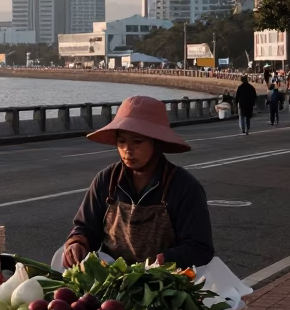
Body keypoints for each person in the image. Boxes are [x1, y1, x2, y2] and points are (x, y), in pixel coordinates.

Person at [62, 96, 214, 270]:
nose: (128, 149)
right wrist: (78, 243)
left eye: (137, 141)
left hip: (164, 285)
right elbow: (85, 227)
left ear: (157, 143)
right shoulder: (106, 180)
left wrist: (163, 261)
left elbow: (200, 248)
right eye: (121, 141)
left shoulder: (184, 187)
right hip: (110, 282)